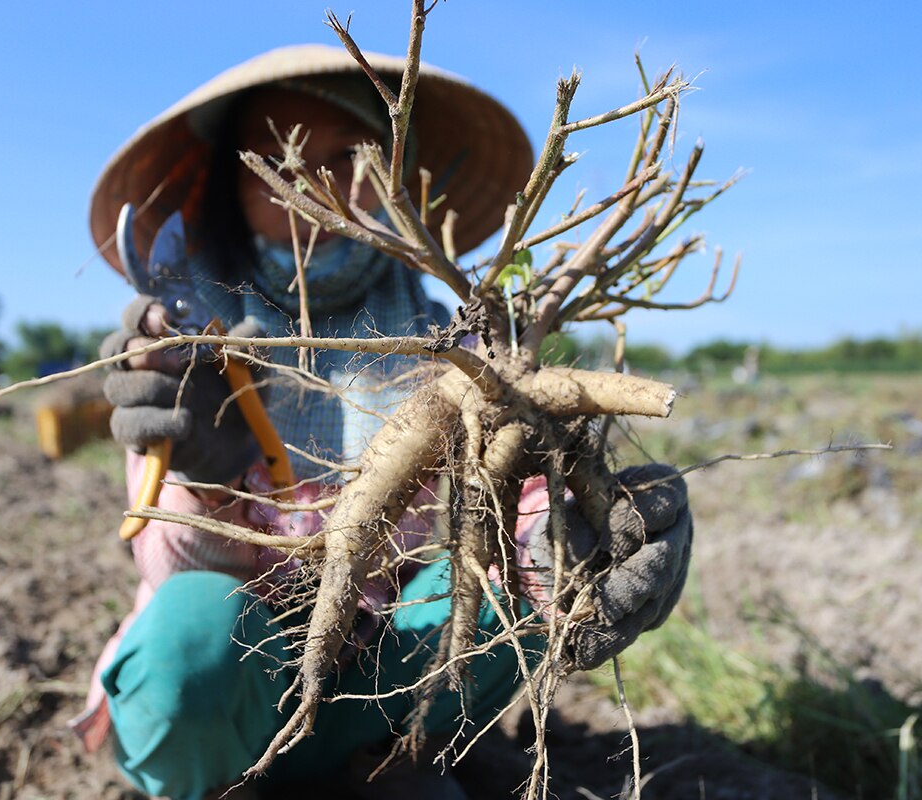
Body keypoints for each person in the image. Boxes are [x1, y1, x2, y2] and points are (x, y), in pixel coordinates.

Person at [76, 46, 693, 800]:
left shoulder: (458, 347)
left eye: (349, 155)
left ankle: (396, 758)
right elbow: (169, 572)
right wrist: (202, 477)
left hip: (388, 685)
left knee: (514, 583)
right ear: (230, 184)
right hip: (234, 696)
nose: (314, 184)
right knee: (194, 633)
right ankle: (225, 784)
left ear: (396, 177)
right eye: (275, 161)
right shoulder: (191, 349)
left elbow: (514, 500)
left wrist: (572, 538)